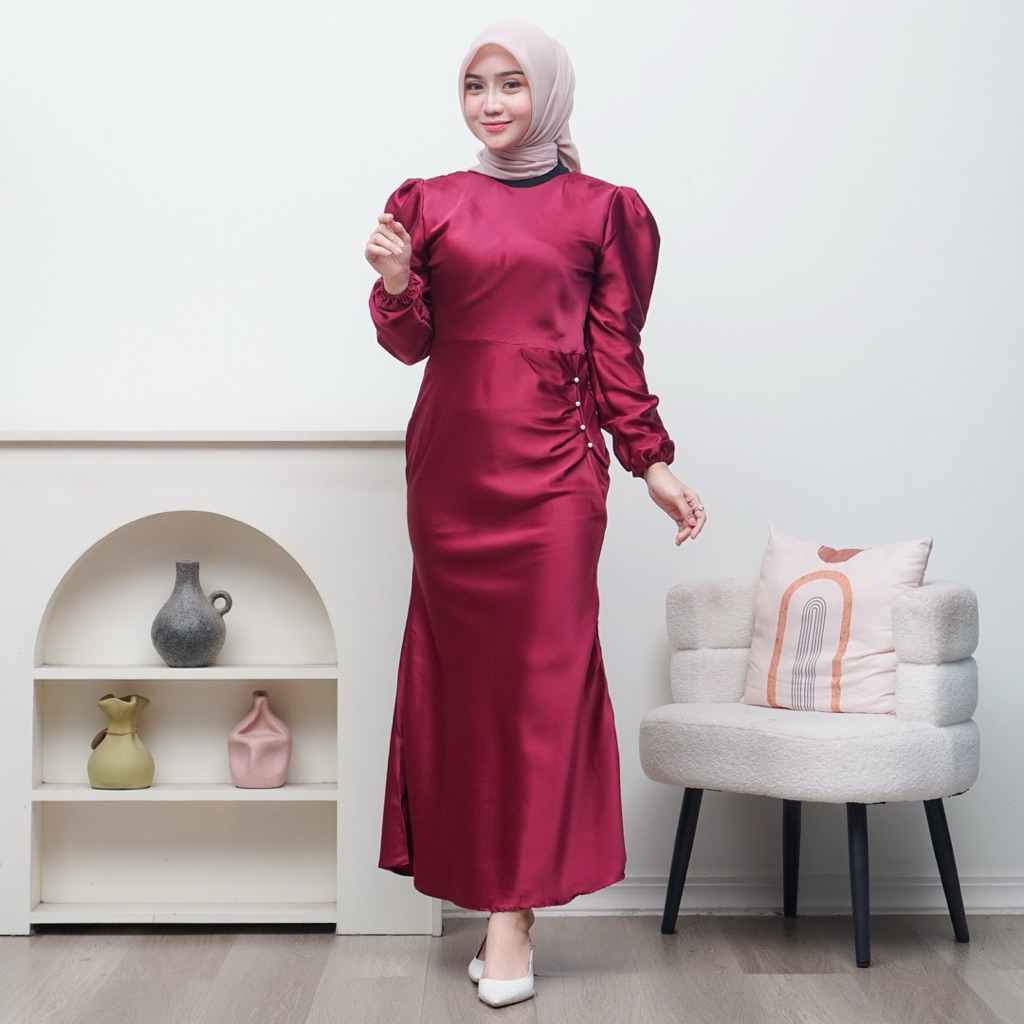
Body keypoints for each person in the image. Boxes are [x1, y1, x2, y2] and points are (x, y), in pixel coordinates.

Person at [363, 19, 705, 1008]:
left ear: (547, 92)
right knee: (466, 687)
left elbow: (615, 351)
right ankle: (487, 898)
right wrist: (396, 285)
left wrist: (650, 461)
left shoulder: (607, 210)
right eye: (475, 86)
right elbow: (411, 344)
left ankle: (510, 917)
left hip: (556, 472)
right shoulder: (424, 202)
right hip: (451, 473)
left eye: (510, 83)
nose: (491, 103)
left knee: (543, 687)